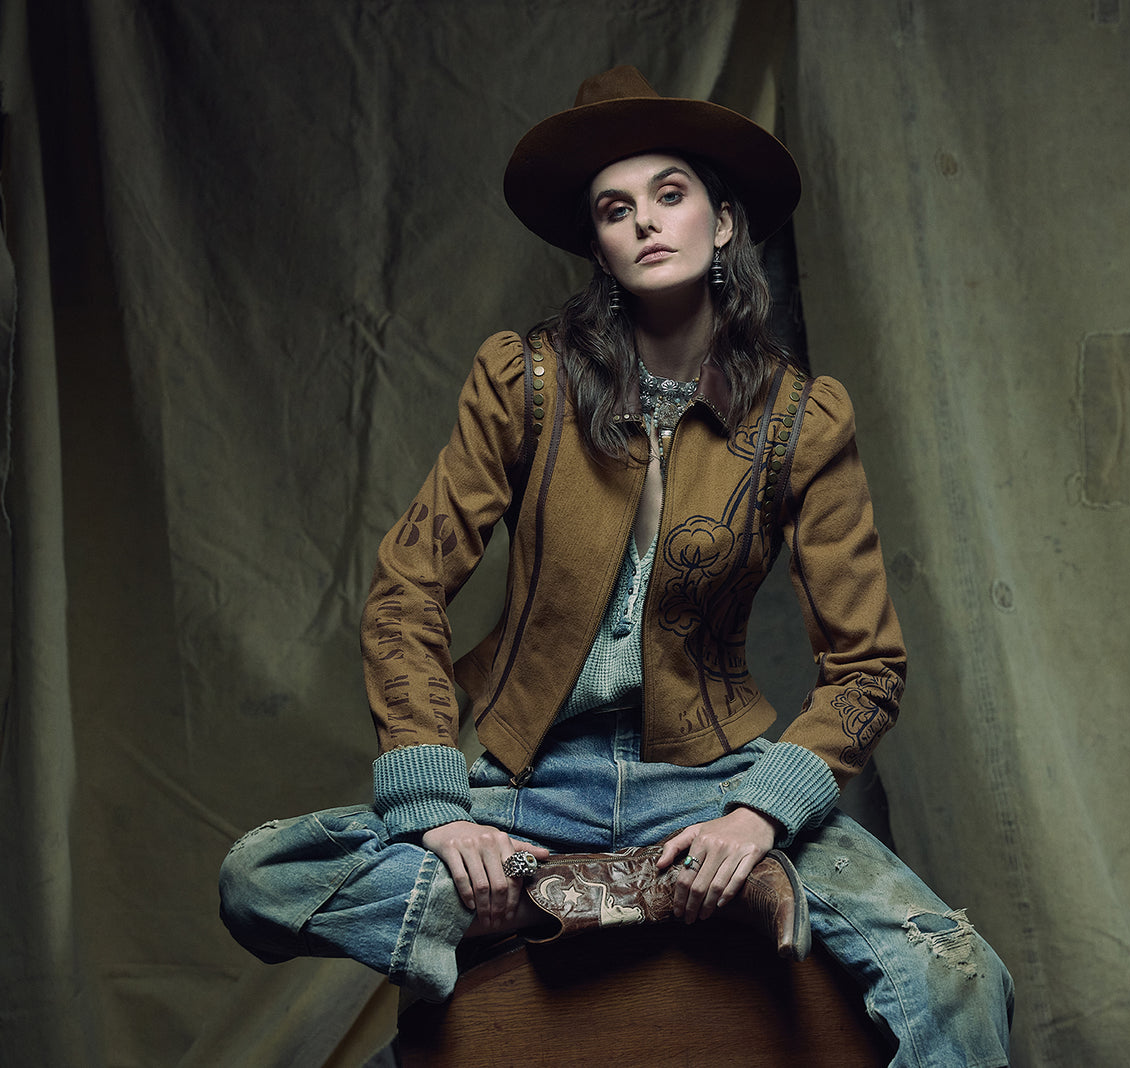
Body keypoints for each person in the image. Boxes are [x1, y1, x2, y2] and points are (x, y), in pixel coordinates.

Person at [219, 66, 1012, 1066]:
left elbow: (867, 667)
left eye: (669, 194)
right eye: (614, 208)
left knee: (958, 972)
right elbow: (407, 589)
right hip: (527, 790)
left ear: (724, 223)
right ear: (598, 245)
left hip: (710, 784)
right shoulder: (525, 380)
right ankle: (579, 891)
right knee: (259, 875)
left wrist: (756, 817)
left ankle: (612, 887)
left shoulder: (802, 418)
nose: (644, 222)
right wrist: (436, 814)